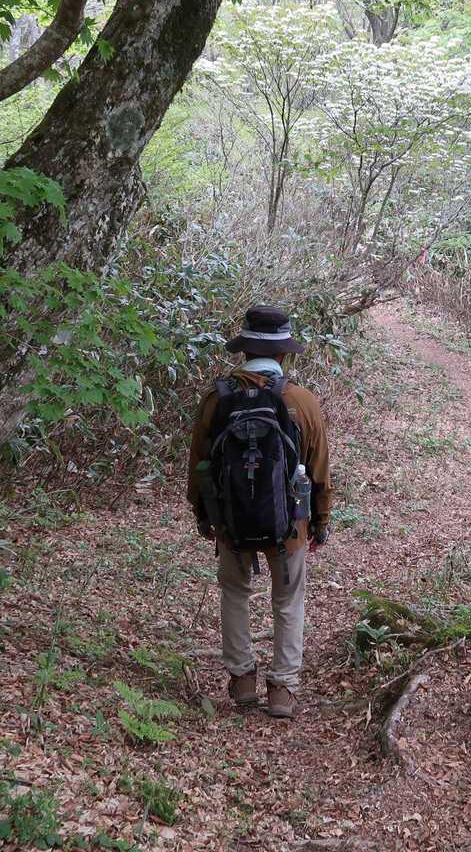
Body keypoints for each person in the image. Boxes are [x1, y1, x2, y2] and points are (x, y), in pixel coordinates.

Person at [186, 305, 332, 719]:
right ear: (284, 353)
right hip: (290, 525)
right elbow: (319, 470)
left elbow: (199, 464)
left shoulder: (216, 400)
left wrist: (203, 515)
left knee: (235, 592)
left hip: (231, 521)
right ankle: (283, 689)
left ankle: (242, 681)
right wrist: (320, 522)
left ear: (245, 349)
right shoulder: (302, 401)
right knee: (288, 599)